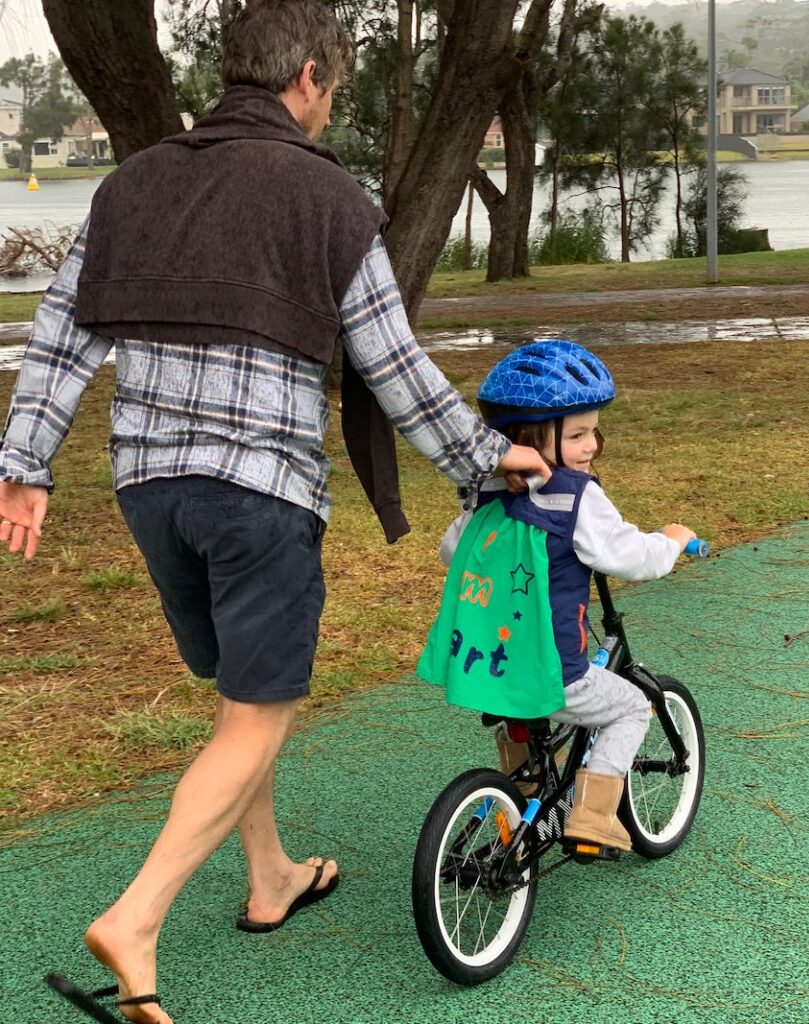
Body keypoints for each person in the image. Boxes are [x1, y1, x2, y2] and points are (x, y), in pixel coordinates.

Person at [0, 4, 550, 1023]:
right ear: (306, 77)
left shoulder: (133, 185)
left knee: (239, 703)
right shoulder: (324, 196)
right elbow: (392, 367)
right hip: (259, 495)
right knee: (258, 715)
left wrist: (25, 462)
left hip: (150, 493)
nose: (325, 105)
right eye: (330, 89)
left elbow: (62, 332)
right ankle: (137, 917)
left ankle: (272, 876)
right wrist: (485, 459)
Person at [418, 339, 695, 858]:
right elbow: (631, 555)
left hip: (488, 667)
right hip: (554, 668)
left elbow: (452, 550)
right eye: (576, 434)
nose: (590, 445)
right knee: (631, 706)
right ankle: (591, 818)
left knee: (520, 724)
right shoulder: (577, 495)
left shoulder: (488, 490)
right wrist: (672, 541)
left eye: (592, 431)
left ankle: (517, 811)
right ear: (529, 436)